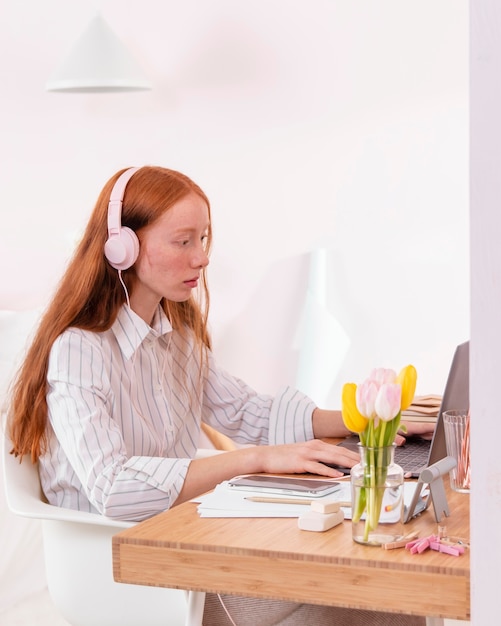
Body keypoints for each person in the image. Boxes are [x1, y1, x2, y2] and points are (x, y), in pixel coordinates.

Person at [7, 165, 431, 625]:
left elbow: (249, 413)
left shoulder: (176, 337)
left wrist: (367, 419)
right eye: (183, 240)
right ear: (123, 247)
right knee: (365, 592)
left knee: (382, 585)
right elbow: (113, 488)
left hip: (181, 541)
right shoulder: (80, 349)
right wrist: (255, 460)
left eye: (204, 239)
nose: (202, 257)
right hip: (121, 568)